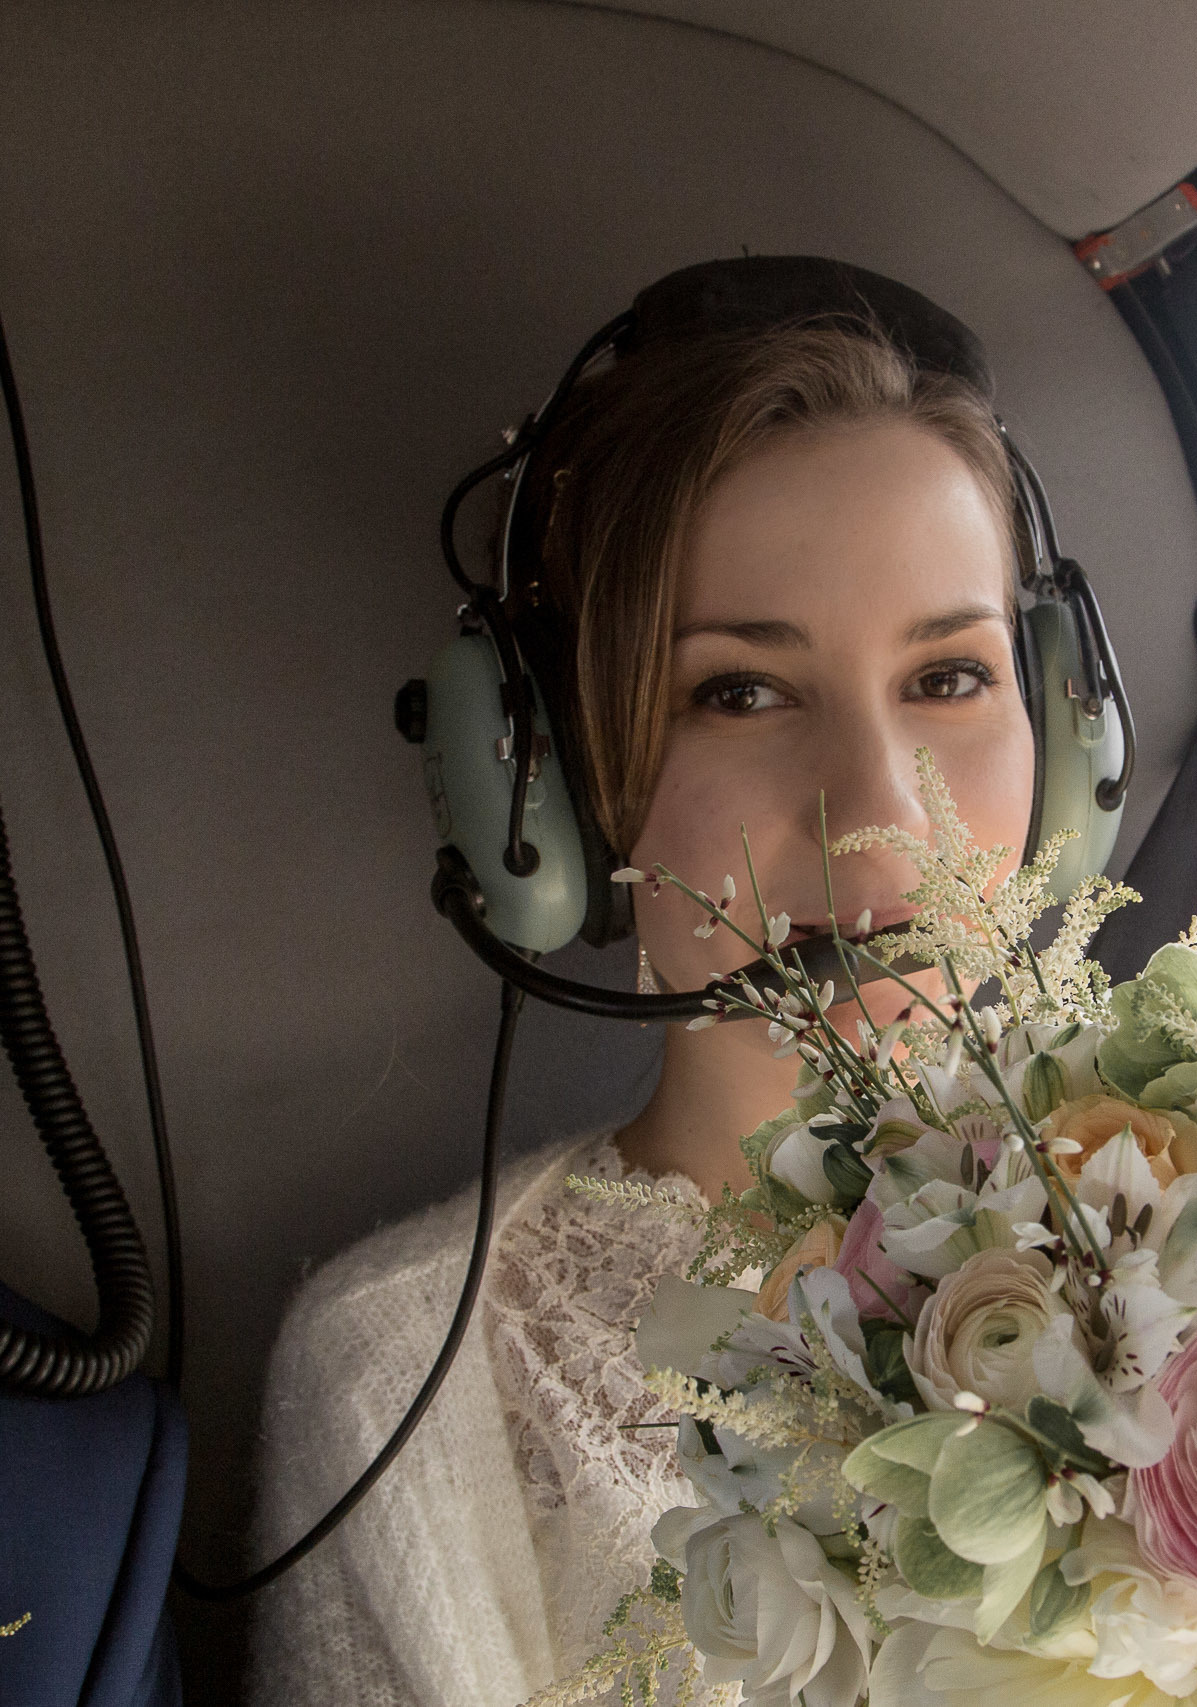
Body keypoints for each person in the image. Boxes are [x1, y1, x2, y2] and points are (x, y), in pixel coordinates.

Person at [248, 284, 1039, 1706]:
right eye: (740, 692)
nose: (880, 819)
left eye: (948, 675)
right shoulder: (404, 1377)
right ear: (552, 781)